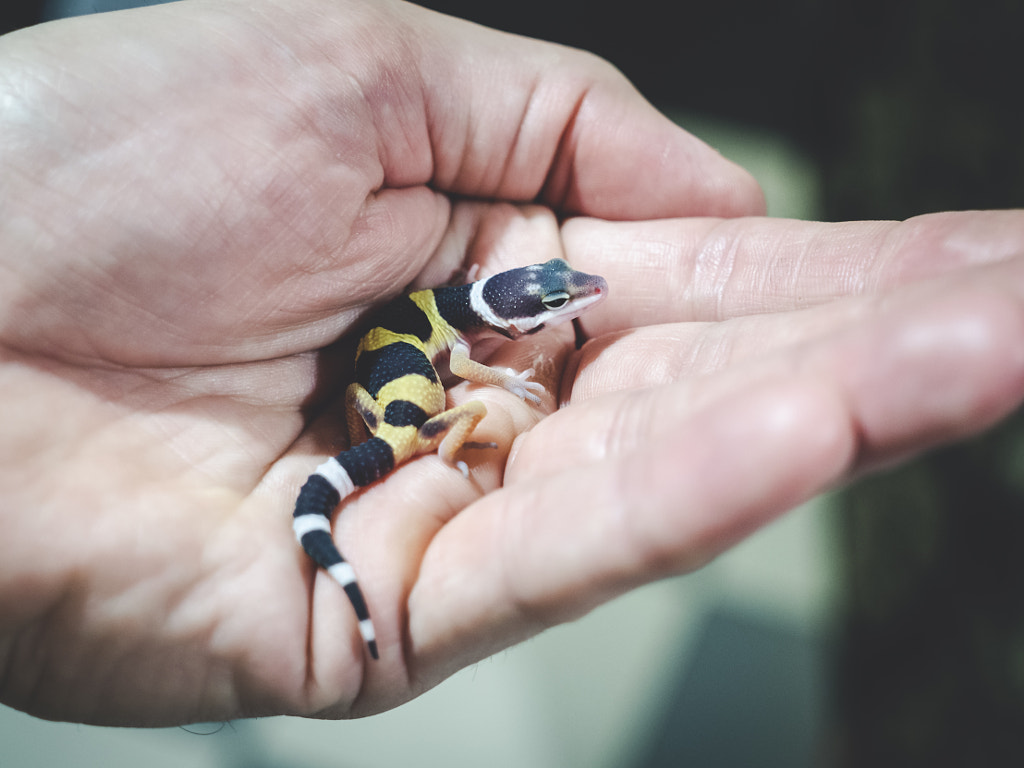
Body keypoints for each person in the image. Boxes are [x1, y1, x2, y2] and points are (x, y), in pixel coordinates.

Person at [2, 0, 1022, 727]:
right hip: (392, 416)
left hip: (390, 394)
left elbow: (433, 347)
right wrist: (479, 394)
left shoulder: (451, 314)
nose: (575, 300)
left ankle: (337, 535)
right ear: (504, 303)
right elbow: (437, 361)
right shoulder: (448, 330)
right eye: (560, 295)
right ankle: (344, 557)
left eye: (563, 296)